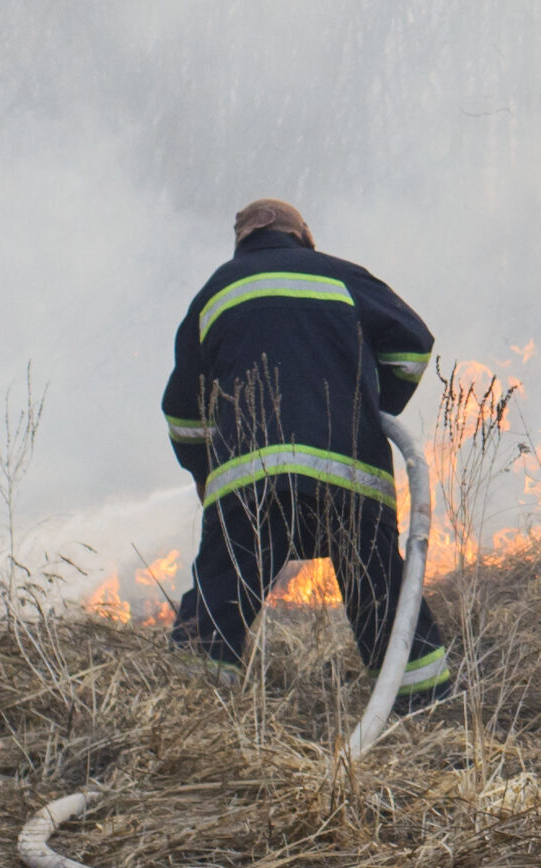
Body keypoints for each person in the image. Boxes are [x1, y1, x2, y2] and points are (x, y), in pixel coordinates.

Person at [160, 199, 453, 712]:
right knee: (379, 594)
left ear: (242, 242)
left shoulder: (217, 291)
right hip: (350, 476)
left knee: (221, 597)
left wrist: (209, 476)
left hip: (252, 484)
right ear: (303, 236)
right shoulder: (339, 275)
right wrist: (365, 402)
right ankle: (429, 711)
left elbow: (185, 414)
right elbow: (412, 346)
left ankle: (190, 713)